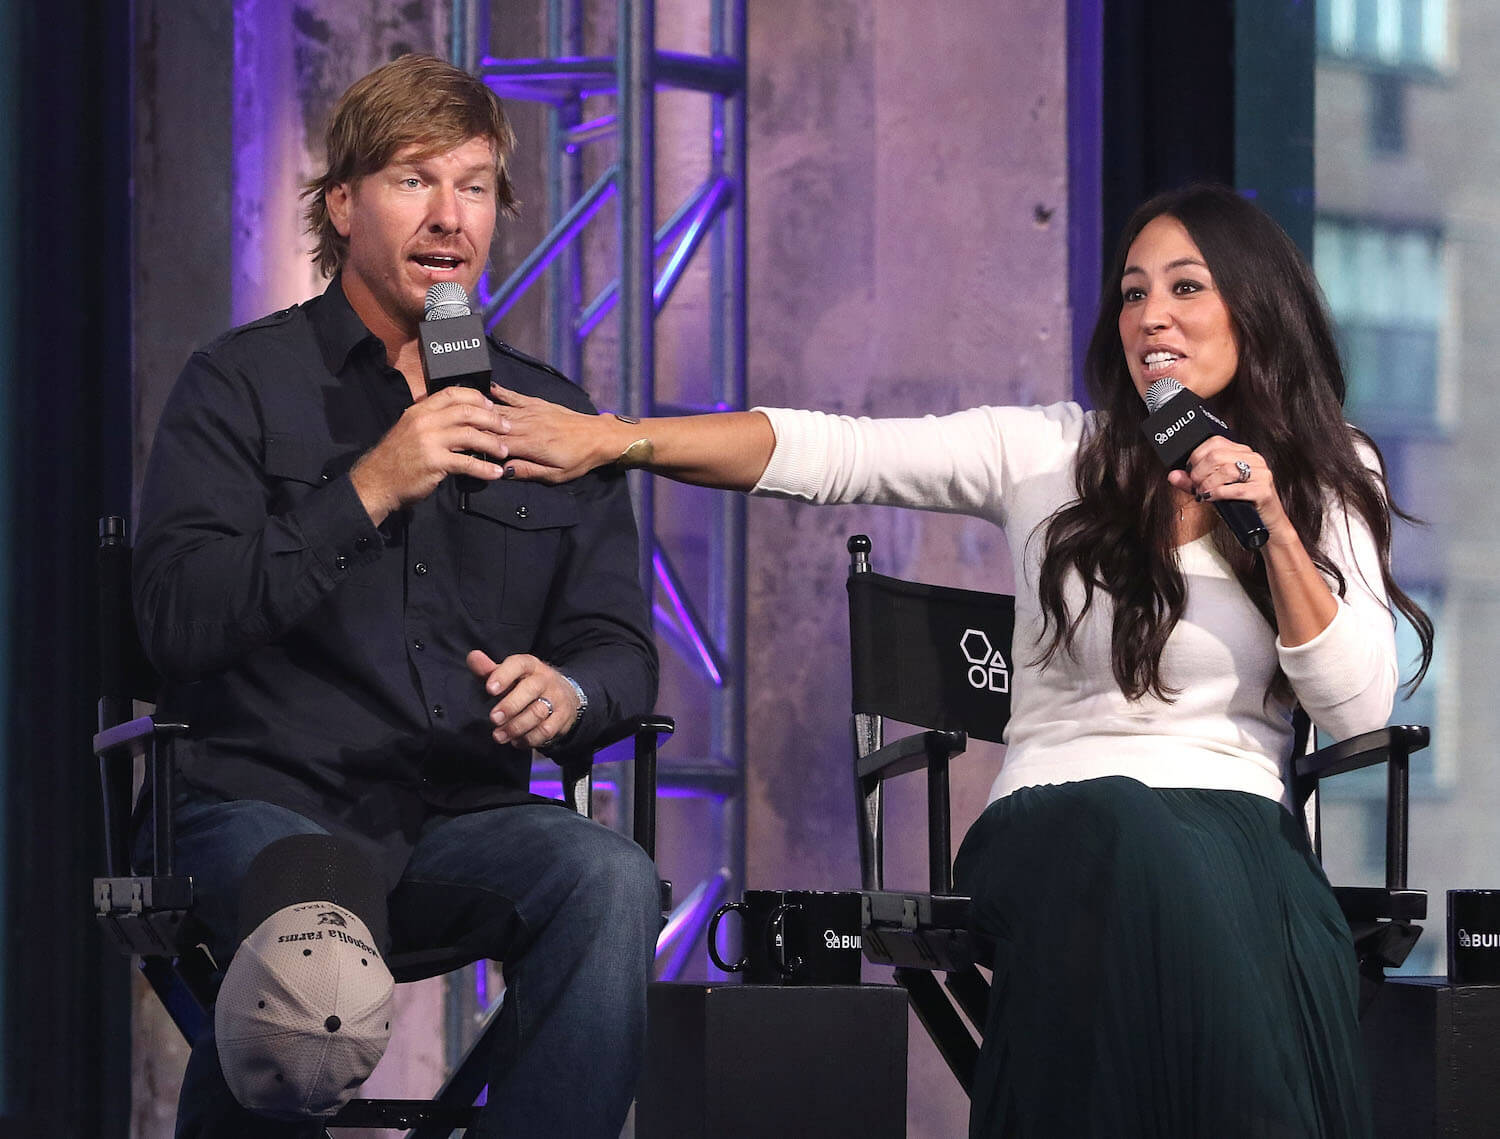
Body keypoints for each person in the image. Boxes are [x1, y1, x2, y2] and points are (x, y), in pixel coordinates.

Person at [490, 183, 1434, 1137]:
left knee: (1225, 892)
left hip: (1240, 830)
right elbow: (835, 451)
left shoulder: (1326, 474)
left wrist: (1272, 527)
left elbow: (1358, 709)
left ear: (1255, 307)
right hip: (1061, 814)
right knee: (1130, 832)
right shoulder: (1050, 450)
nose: (1151, 315)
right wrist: (619, 439)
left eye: (1186, 287)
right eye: (1132, 291)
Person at [132, 54, 660, 1138]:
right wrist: (370, 485)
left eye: (474, 186)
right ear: (343, 205)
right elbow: (176, 615)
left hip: (459, 819)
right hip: (259, 804)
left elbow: (620, 647)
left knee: (609, 878)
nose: (449, 216)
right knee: (311, 926)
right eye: (414, 180)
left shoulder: (546, 415)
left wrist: (568, 690)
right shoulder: (240, 383)